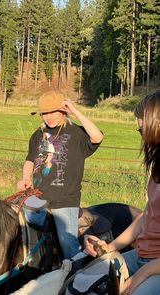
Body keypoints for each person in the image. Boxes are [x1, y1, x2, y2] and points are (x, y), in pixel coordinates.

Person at [84, 89, 160, 295]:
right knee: (86, 278)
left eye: (142, 130)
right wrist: (110, 247)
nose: (141, 136)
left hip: (156, 265)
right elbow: (147, 216)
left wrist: (142, 274)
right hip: (143, 255)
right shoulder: (157, 168)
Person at [17, 91, 103, 259]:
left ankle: (75, 275)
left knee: (67, 245)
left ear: (63, 110)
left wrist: (76, 111)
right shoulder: (38, 135)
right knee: (21, 229)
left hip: (65, 200)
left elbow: (97, 136)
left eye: (52, 112)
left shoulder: (77, 134)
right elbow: (30, 159)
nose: (47, 117)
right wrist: (26, 178)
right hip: (39, 196)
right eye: (44, 113)